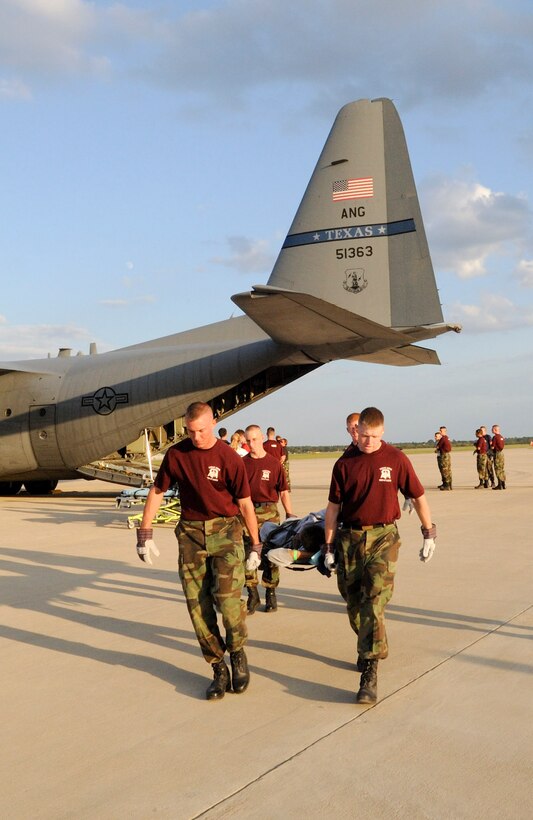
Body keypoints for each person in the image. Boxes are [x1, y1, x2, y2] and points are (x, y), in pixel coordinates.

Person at [135, 402, 261, 701]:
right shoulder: (177, 455)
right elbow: (157, 491)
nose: (197, 437)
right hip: (191, 536)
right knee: (197, 607)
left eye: (202, 430)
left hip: (226, 534)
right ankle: (218, 667)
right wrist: (145, 533)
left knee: (229, 606)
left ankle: (238, 653)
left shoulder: (229, 458)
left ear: (214, 423)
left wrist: (255, 544)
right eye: (191, 432)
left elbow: (245, 504)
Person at [323, 406, 436, 705]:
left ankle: (369, 672)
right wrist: (329, 547)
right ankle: (373, 642)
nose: (368, 442)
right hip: (350, 539)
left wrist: (429, 532)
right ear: (356, 431)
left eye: (373, 436)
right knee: (353, 603)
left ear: (382, 432)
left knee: (374, 601)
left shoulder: (396, 459)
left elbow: (418, 495)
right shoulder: (344, 464)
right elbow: (333, 508)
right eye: (363, 436)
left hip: (384, 538)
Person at [242, 424, 294, 614]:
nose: (251, 444)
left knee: (272, 554)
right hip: (248, 513)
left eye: (254, 439)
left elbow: (283, 491)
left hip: (270, 511)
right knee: (248, 553)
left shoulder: (274, 464)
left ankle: (270, 592)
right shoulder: (242, 463)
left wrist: (290, 514)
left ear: (262, 437)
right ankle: (252, 592)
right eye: (247, 440)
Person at [436, 425, 452, 490]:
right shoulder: (446, 438)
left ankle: (447, 485)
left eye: (441, 431)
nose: (440, 431)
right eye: (440, 430)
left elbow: (438, 447)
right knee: (447, 470)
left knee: (445, 470)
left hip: (444, 455)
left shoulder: (443, 438)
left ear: (444, 431)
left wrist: (437, 448)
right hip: (446, 455)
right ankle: (447, 484)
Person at [491, 424, 506, 489]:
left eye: (492, 429)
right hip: (501, 453)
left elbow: (493, 446)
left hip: (497, 453)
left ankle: (500, 485)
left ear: (495, 430)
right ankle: (503, 483)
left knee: (497, 468)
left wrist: (491, 447)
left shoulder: (495, 437)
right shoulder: (501, 437)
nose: (491, 430)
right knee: (501, 469)